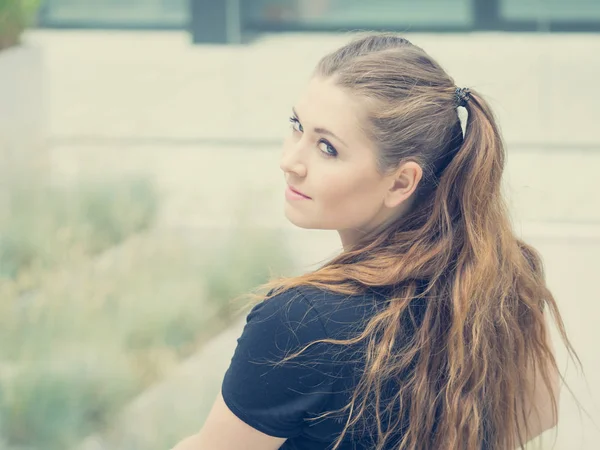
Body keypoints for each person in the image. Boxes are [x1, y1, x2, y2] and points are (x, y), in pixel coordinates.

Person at [171, 33, 577, 450]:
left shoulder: (300, 322)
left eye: (327, 147)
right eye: (297, 127)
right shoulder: (506, 268)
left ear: (401, 182)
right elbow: (535, 416)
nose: (290, 162)